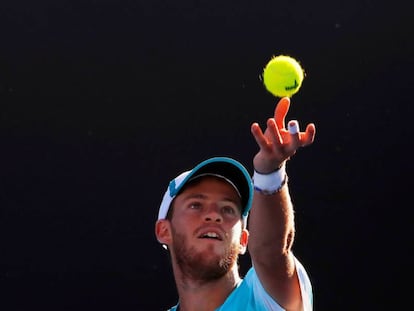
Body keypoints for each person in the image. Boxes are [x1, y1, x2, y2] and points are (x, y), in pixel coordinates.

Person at [155, 96, 316, 311]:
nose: (214, 215)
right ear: (164, 230)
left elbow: (270, 252)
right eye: (196, 205)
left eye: (228, 209)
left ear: (243, 239)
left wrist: (269, 171)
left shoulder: (265, 300)